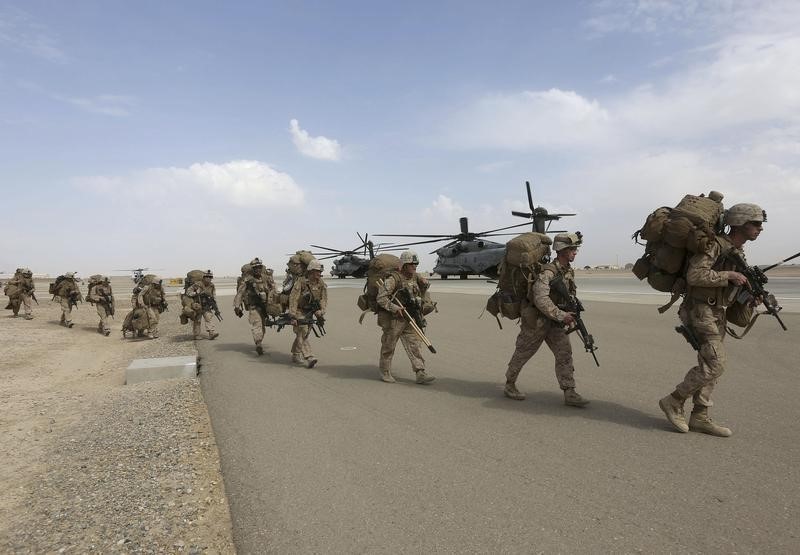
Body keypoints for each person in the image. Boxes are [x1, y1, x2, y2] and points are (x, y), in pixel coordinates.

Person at [659, 203, 766, 437]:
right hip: (699, 310)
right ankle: (673, 400)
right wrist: (729, 275)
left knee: (713, 364)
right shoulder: (715, 245)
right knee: (716, 363)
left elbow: (730, 287)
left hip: (716, 312)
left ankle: (700, 416)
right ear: (740, 223)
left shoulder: (737, 252)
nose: (760, 229)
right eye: (756, 224)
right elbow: (695, 275)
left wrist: (750, 296)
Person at [503, 232, 590, 407]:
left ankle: (569, 391)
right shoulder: (548, 272)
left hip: (555, 322)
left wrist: (570, 309)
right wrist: (561, 315)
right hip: (537, 321)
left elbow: (567, 294)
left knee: (564, 354)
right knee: (523, 353)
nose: (575, 252)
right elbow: (540, 299)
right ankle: (510, 384)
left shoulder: (567, 271)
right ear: (563, 250)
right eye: (572, 249)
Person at [375, 250, 435, 385]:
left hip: (410, 317)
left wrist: (425, 287)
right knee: (389, 346)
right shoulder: (393, 279)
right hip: (394, 319)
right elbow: (381, 298)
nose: (414, 266)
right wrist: (395, 308)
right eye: (411, 264)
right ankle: (385, 371)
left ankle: (420, 372)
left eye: (416, 264)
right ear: (404, 265)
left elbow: (420, 294)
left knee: (414, 345)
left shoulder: (416, 278)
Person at [288, 259, 327, 368]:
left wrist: (321, 311)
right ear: (311, 271)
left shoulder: (321, 283)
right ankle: (309, 357)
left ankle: (295, 354)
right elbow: (293, 299)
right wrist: (292, 315)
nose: (320, 273)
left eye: (320, 271)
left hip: (311, 311)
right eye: (318, 271)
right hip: (299, 311)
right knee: (302, 331)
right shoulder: (301, 282)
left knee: (304, 333)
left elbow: (324, 299)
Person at [233, 257, 274, 355]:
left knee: (262, 328)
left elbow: (273, 289)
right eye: (256, 268)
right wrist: (237, 306)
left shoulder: (265, 278)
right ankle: (258, 343)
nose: (258, 269)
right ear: (253, 269)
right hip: (254, 307)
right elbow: (240, 293)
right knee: (257, 325)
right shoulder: (247, 280)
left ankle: (259, 341)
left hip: (265, 307)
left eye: (259, 267)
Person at [186, 270, 220, 340]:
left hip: (206, 305)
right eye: (207, 277)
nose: (208, 278)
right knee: (198, 320)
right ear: (203, 277)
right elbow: (188, 292)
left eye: (210, 277)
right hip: (197, 305)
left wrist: (215, 306)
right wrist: (196, 293)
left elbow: (214, 295)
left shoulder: (212, 285)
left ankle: (211, 333)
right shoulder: (197, 284)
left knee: (209, 318)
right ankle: (196, 334)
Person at [133, 275, 165, 339]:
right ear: (154, 283)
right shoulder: (147, 288)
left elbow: (163, 295)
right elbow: (140, 295)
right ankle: (150, 333)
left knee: (157, 320)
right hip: (149, 306)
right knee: (153, 319)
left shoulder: (160, 288)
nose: (158, 285)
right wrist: (142, 304)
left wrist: (164, 301)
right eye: (157, 284)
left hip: (156, 306)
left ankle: (154, 333)